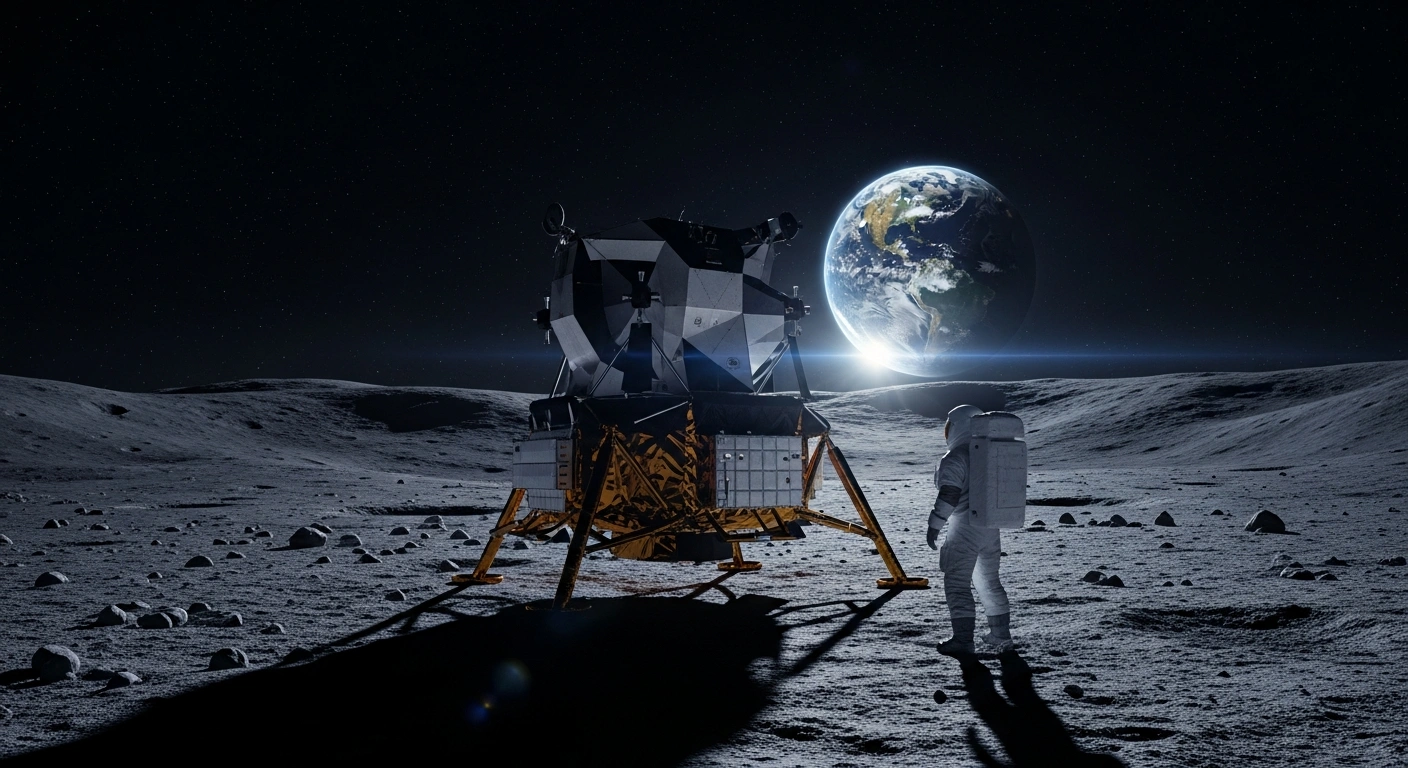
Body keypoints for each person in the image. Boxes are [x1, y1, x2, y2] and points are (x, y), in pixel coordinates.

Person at [926, 404, 1013, 655]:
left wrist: (934, 525)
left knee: (957, 583)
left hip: (964, 529)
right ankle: (1000, 635)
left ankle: (963, 641)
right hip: (990, 527)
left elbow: (949, 495)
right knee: (988, 581)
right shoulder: (989, 455)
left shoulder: (956, 457)